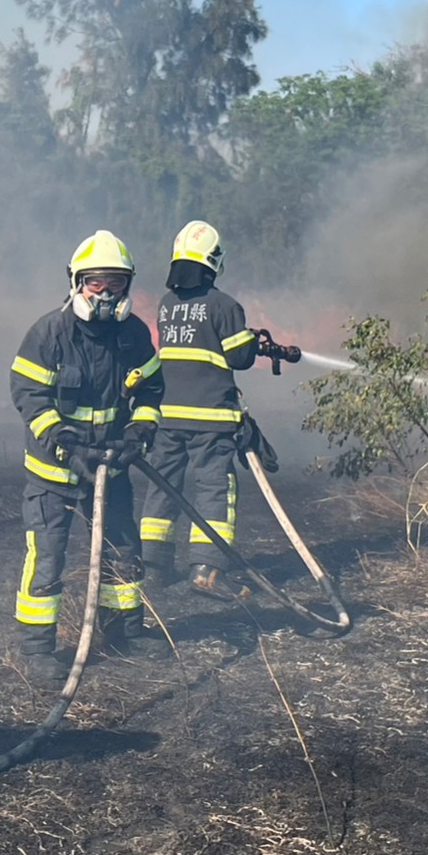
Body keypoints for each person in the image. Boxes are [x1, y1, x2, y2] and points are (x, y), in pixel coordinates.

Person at [6, 230, 165, 680]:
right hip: (53, 472)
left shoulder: (133, 335)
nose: (107, 293)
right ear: (77, 282)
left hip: (111, 466)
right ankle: (37, 649)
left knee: (123, 548)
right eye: (97, 283)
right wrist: (64, 442)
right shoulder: (49, 333)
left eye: (116, 283)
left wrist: (140, 432)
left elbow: (151, 389)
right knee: (48, 555)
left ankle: (124, 631)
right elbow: (29, 395)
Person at [138, 220, 262, 593]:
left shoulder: (166, 304)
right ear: (215, 261)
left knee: (163, 486)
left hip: (167, 415)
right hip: (211, 419)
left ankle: (154, 567)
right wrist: (254, 342)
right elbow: (239, 356)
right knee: (213, 489)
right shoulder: (225, 305)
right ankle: (205, 570)